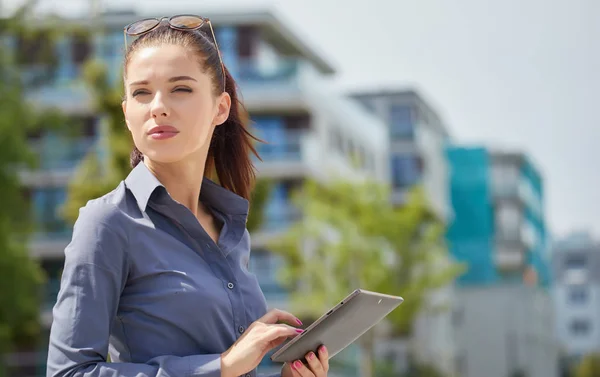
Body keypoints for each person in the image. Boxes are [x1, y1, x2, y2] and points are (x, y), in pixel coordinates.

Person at [46, 15, 329, 377]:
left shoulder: (232, 232)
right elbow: (69, 372)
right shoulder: (108, 223)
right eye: (141, 93)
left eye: (180, 89)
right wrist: (221, 366)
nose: (158, 106)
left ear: (221, 108)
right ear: (127, 114)